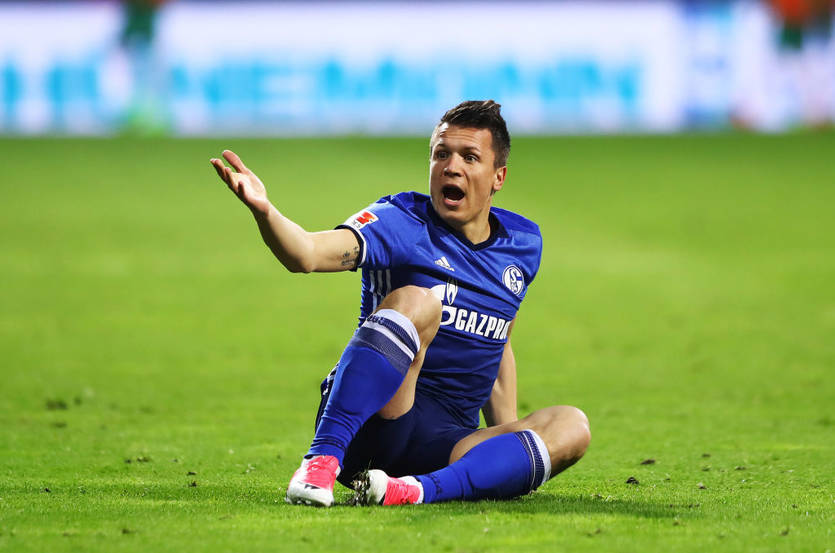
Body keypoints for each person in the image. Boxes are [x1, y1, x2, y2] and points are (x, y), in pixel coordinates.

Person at [210, 100, 590, 507]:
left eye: (469, 157)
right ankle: (320, 462)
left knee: (572, 425)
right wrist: (265, 212)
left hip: (447, 443)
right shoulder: (400, 220)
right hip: (375, 424)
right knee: (418, 301)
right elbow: (306, 253)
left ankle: (411, 491)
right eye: (441, 154)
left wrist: (510, 449)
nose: (451, 167)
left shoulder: (523, 244)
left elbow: (499, 345)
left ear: (499, 176)